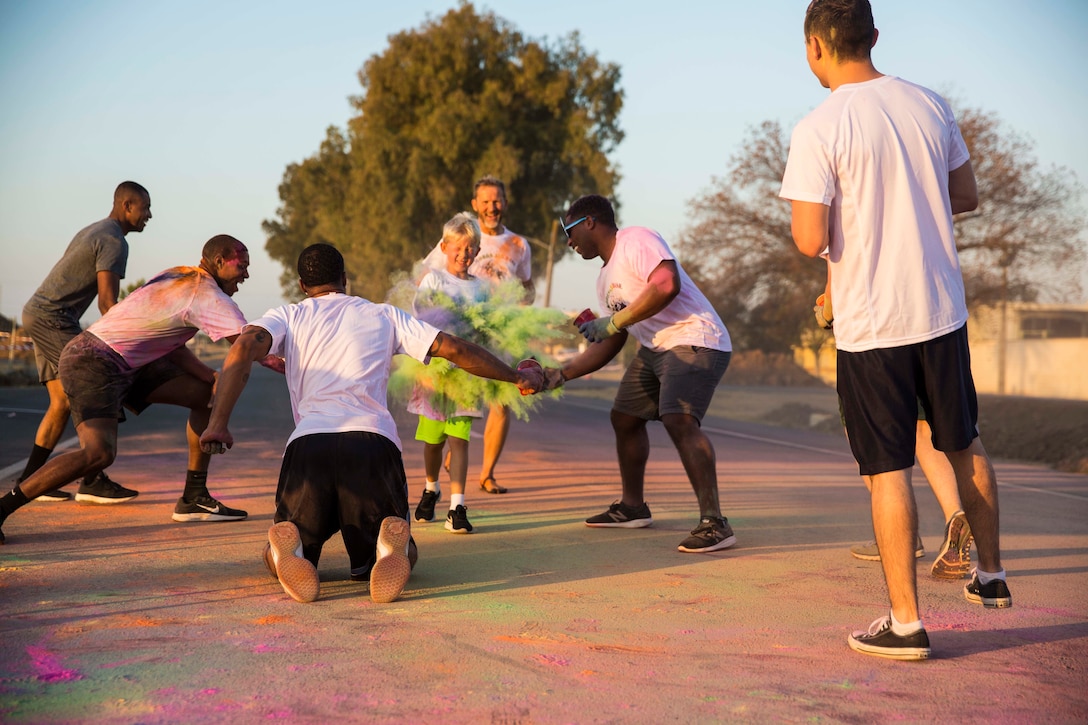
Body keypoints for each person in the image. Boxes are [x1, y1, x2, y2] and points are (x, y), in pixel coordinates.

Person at [780, 0, 1010, 661]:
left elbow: (809, 237)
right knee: (964, 443)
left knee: (888, 472)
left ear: (814, 49)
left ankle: (906, 623)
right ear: (874, 37)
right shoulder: (930, 104)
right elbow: (964, 195)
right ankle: (991, 577)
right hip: (941, 311)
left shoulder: (820, 125)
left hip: (873, 325)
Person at [198, 243, 543, 604]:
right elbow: (453, 348)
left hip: (309, 446)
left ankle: (291, 548)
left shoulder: (288, 316)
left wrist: (218, 423)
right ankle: (387, 546)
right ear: (345, 279)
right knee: (396, 551)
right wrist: (513, 375)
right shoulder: (383, 315)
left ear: (302, 285)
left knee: (285, 544)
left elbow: (242, 349)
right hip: (371, 444)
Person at [0, 235, 260, 545]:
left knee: (207, 394)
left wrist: (208, 375)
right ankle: (4, 507)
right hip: (94, 359)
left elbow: (170, 344)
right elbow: (251, 347)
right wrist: (295, 359)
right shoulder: (207, 295)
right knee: (99, 453)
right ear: (219, 261)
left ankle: (194, 497)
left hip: (128, 360)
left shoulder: (176, 275)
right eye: (241, 266)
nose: (246, 274)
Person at [541, 194, 736, 553]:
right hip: (656, 348)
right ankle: (633, 507)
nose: (569, 242)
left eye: (569, 231)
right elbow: (612, 342)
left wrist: (613, 321)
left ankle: (715, 523)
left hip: (695, 337)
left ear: (589, 222)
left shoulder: (636, 239)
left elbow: (665, 284)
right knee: (625, 418)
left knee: (678, 419)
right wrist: (561, 374)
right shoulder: (604, 281)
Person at [816, 270, 974, 579]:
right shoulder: (923, 220)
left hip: (870, 338)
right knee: (921, 427)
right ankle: (955, 513)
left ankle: (900, 536)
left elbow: (833, 282)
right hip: (929, 326)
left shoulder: (846, 219)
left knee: (871, 441)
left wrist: (825, 313)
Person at [17, 181, 152, 504]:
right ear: (127, 206)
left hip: (40, 313)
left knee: (62, 402)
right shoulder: (114, 241)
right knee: (97, 380)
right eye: (145, 208)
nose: (150, 215)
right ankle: (93, 477)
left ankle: (32, 479)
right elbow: (107, 303)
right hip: (55, 319)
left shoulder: (95, 230)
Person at [422, 176, 533, 494]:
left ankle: (486, 474)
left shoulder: (518, 245)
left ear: (505, 203)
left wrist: (522, 314)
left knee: (502, 399)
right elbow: (427, 275)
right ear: (475, 205)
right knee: (454, 402)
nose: (491, 207)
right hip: (459, 335)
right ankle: (451, 453)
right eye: (485, 201)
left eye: (497, 200)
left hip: (497, 330)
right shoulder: (460, 233)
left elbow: (526, 286)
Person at [412, 213, 491, 534]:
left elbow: (486, 327)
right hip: (435, 373)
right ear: (444, 247)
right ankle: (431, 488)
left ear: (477, 250)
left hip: (466, 375)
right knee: (433, 441)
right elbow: (420, 317)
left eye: (471, 248)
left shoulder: (482, 289)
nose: (464, 254)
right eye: (457, 247)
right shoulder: (433, 280)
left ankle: (457, 506)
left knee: (460, 439)